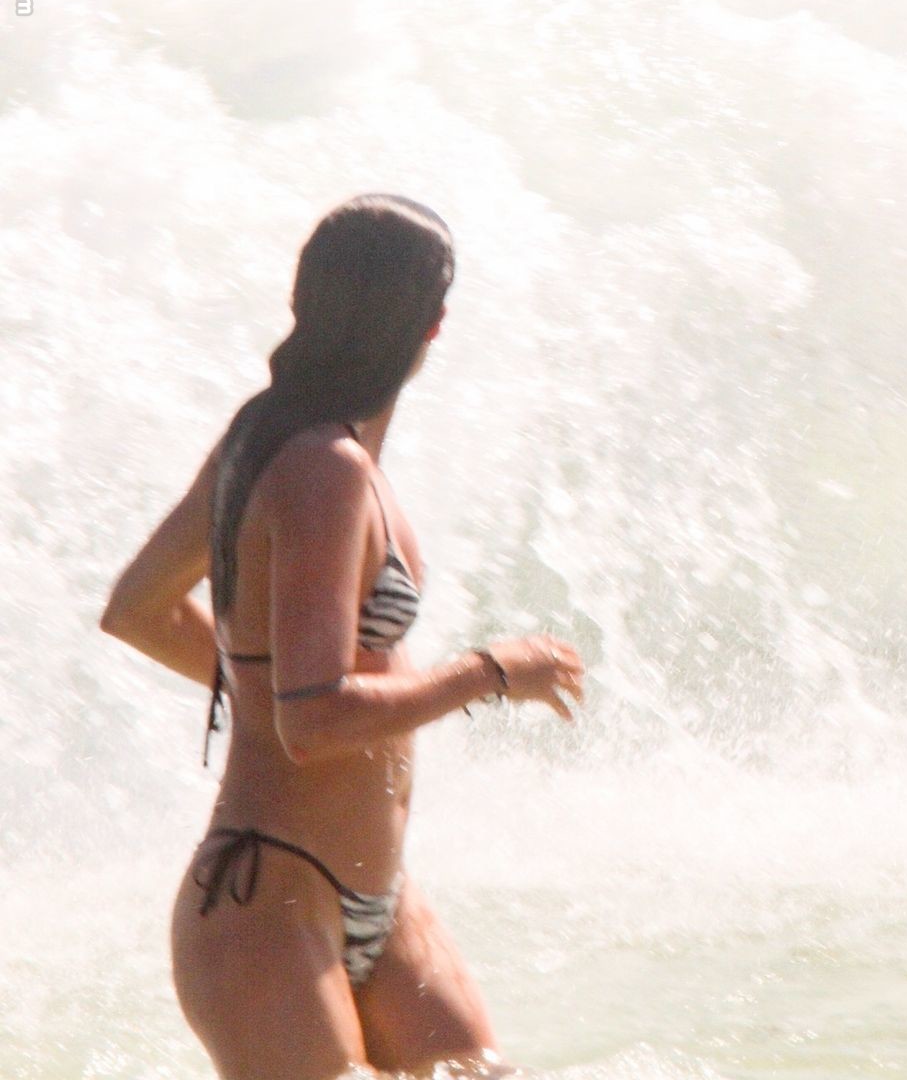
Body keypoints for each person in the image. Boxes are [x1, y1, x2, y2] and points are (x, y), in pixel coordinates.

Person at [101, 195, 588, 1080]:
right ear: (434, 325)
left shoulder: (270, 436)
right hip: (268, 900)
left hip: (377, 898)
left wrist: (264, 683)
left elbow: (140, 607)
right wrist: (488, 672)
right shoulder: (323, 467)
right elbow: (313, 720)